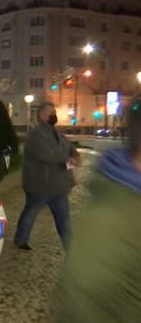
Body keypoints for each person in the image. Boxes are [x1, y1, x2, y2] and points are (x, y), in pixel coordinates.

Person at [54, 97, 141, 321]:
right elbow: (80, 299)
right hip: (45, 184)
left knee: (59, 217)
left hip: (56, 184)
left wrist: (71, 160)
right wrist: (65, 163)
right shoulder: (113, 217)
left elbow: (64, 153)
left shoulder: (57, 136)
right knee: (41, 213)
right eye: (50, 114)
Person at [14, 102, 81, 251]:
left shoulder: (57, 133)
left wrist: (75, 156)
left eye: (54, 111)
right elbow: (47, 155)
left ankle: (71, 247)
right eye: (51, 112)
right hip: (40, 184)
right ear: (41, 115)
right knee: (30, 213)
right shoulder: (36, 134)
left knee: (64, 219)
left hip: (59, 186)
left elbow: (69, 148)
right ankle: (21, 239)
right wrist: (67, 159)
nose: (54, 115)